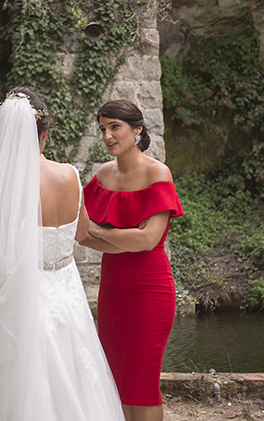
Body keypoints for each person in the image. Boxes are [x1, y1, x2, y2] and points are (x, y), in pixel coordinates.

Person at [0, 87, 123, 421]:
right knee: (77, 372)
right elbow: (82, 233)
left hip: (19, 294)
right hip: (66, 290)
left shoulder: (0, 183)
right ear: (45, 134)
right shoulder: (70, 174)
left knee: (16, 379)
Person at [81, 99, 184, 421]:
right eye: (103, 129)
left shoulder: (157, 172)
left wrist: (103, 230)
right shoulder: (103, 174)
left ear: (137, 130)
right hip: (113, 290)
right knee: (115, 379)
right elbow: (82, 233)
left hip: (150, 289)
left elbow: (149, 239)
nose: (107, 135)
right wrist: (122, 238)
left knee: (142, 382)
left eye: (115, 127)